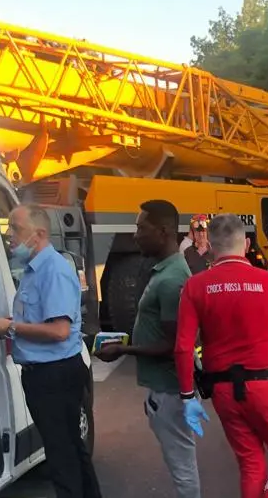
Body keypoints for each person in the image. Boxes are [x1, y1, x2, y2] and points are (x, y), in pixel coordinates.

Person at [174, 214, 268, 498]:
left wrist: (187, 397)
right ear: (245, 243)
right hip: (267, 386)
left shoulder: (195, 286)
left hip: (224, 393)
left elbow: (183, 347)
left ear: (213, 247)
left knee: (251, 462)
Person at [0, 204, 102, 498]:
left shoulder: (53, 270)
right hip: (48, 374)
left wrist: (10, 328)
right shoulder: (34, 269)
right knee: (70, 449)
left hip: (54, 376)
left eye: (16, 228)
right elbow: (40, 319)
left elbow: (59, 331)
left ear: (38, 234)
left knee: (62, 455)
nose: (9, 234)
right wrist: (9, 324)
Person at [95, 200, 200, 498]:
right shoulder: (165, 271)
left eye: (142, 228)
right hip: (165, 390)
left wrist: (124, 351)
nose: (135, 235)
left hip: (169, 391)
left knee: (182, 468)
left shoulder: (172, 279)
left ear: (164, 231)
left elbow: (174, 346)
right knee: (180, 463)